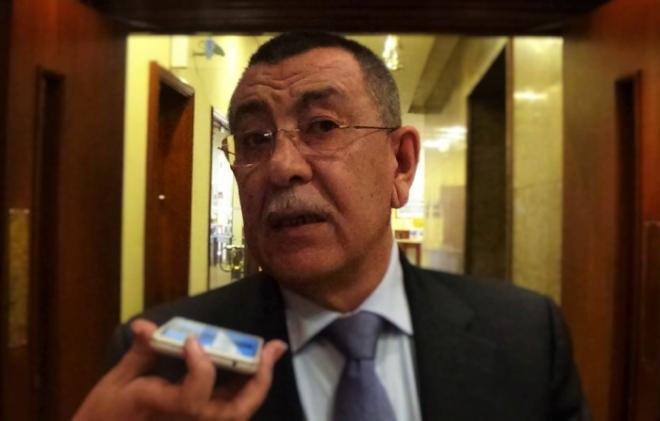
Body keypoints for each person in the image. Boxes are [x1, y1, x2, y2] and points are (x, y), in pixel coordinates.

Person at [74, 32, 589, 421]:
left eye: (322, 126)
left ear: (401, 164)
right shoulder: (162, 362)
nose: (282, 166)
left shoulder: (526, 336)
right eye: (254, 139)